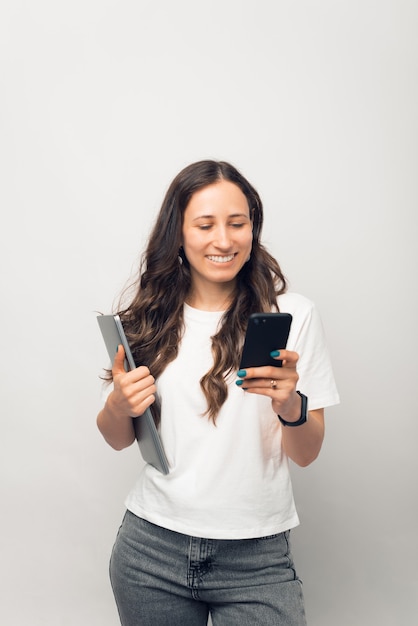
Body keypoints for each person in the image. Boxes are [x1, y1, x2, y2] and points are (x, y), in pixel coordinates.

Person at [97, 160, 339, 626]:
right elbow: (118, 437)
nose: (224, 240)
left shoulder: (293, 315)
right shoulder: (148, 319)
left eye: (237, 223)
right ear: (179, 234)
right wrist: (117, 404)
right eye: (205, 225)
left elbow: (306, 454)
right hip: (151, 551)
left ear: (253, 227)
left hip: (256, 559)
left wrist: (290, 405)